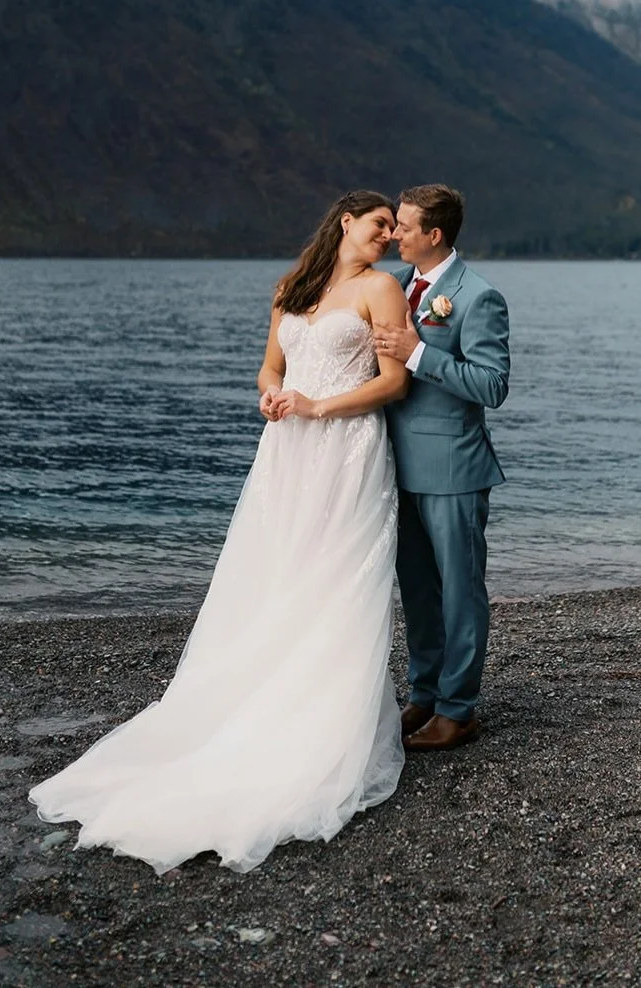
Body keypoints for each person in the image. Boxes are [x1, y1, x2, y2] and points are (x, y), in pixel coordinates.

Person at [29, 191, 411, 874]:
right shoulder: (292, 287)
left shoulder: (382, 289)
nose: (387, 235)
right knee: (274, 570)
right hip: (286, 450)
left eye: (393, 227)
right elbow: (270, 365)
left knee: (335, 574)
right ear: (345, 221)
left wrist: (318, 404)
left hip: (346, 445)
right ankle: (248, 697)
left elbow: (392, 385)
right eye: (378, 223)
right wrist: (271, 394)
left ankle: (321, 719)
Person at [374, 184, 510, 751]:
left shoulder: (478, 297)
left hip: (453, 468)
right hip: (395, 466)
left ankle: (458, 710)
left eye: (404, 227)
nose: (393, 234)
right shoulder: (398, 287)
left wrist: (419, 354)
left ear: (434, 235)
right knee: (419, 592)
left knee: (459, 592)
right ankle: (424, 695)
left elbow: (492, 385)